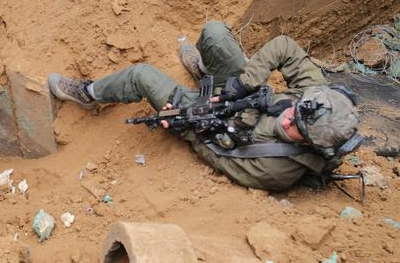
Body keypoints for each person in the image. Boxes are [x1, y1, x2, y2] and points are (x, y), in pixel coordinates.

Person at [48, 20, 360, 191]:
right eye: (295, 110)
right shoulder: (318, 99)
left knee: (141, 75)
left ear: (310, 143)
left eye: (296, 127)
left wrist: (188, 124)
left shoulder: (274, 168)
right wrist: (242, 85)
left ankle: (89, 94)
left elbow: (218, 154)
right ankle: (206, 73)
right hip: (237, 94)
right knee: (214, 33)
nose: (290, 117)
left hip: (211, 121)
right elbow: (284, 47)